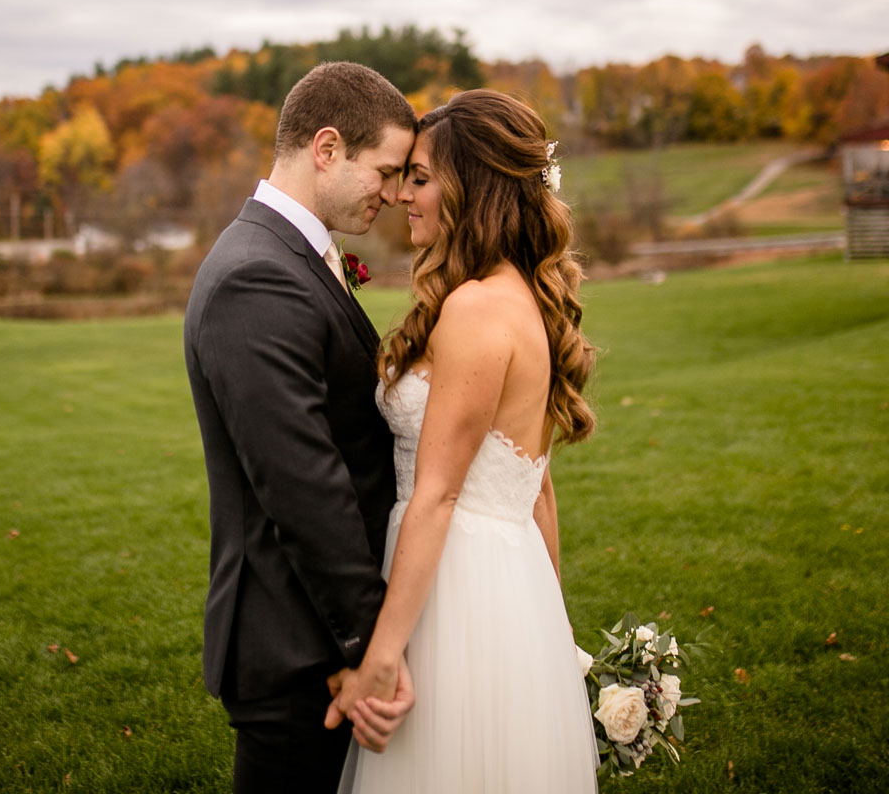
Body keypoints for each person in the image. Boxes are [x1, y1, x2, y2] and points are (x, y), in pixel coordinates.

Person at [329, 89, 600, 793]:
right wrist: (549, 623)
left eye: (419, 178)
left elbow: (440, 492)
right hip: (503, 584)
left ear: (470, 187)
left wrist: (381, 656)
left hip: (455, 586)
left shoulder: (478, 309)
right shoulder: (518, 298)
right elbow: (536, 486)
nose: (402, 197)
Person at [184, 61, 421, 794]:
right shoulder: (256, 276)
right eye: (385, 170)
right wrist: (364, 647)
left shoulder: (292, 256)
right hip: (295, 648)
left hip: (314, 637)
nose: (393, 192)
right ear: (326, 149)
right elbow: (301, 484)